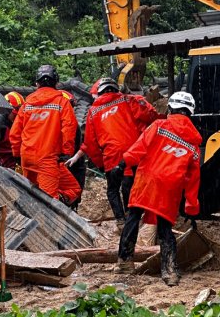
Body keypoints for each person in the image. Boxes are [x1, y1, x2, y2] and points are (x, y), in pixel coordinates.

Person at [112, 91, 202, 286]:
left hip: (148, 180)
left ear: (170, 109)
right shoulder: (194, 146)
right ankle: (169, 271)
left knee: (133, 218)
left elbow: (139, 148)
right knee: (164, 228)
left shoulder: (159, 126)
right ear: (190, 113)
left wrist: (122, 164)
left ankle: (125, 262)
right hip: (170, 187)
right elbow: (193, 178)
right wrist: (191, 206)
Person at [66, 77, 159, 231]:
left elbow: (91, 143)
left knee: (112, 189)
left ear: (100, 92)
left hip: (111, 157)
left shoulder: (93, 111)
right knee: (130, 186)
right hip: (133, 154)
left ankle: (121, 221)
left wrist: (101, 164)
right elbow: (151, 116)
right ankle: (133, 217)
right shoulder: (130, 101)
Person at [9, 64, 81, 206]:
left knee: (31, 196)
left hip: (27, 158)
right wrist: (66, 152)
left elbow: (15, 132)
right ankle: (49, 224)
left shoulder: (28, 103)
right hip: (47, 159)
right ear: (56, 82)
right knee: (49, 202)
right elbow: (69, 128)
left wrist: (17, 154)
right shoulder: (61, 102)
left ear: (37, 83)